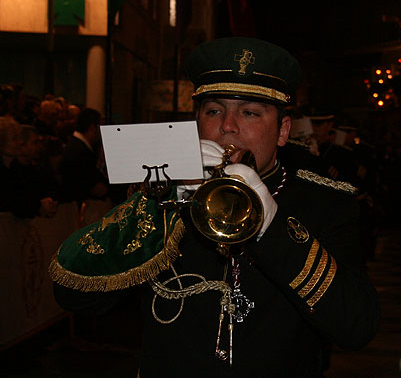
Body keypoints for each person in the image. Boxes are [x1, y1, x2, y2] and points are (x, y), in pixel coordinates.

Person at [50, 37, 380, 377]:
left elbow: (357, 326)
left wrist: (272, 230)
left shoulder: (325, 202)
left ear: (282, 130)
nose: (228, 126)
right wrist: (156, 204)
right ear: (197, 120)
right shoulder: (161, 196)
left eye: (250, 112)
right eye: (214, 110)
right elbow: (72, 295)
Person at [59, 107, 109, 205]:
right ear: (92, 127)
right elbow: (95, 187)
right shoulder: (80, 150)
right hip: (81, 204)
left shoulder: (77, 145)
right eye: (100, 125)